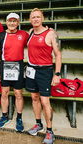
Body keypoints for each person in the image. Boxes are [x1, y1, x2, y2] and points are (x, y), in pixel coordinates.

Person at [26, 8, 61, 144]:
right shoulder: (30, 32)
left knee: (45, 101)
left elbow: (58, 55)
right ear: (30, 19)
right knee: (34, 98)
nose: (35, 19)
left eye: (38, 17)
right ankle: (38, 124)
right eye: (33, 17)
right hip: (31, 69)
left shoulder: (50, 34)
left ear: (42, 19)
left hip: (44, 71)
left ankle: (50, 131)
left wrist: (57, 74)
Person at [0, 13, 29, 132]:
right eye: (10, 21)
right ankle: (4, 116)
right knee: (4, 92)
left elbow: (33, 40)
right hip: (5, 65)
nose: (12, 23)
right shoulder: (1, 35)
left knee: (18, 93)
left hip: (18, 65)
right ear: (6, 22)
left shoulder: (24, 34)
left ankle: (19, 118)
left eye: (15, 21)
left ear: (18, 23)